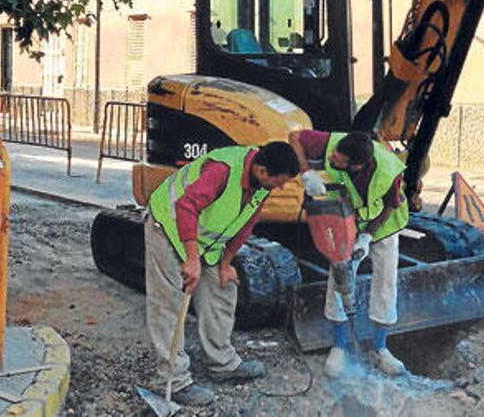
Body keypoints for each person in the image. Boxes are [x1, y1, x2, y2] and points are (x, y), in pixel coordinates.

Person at [144, 141, 300, 406]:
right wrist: (192, 259)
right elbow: (185, 207)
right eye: (279, 180)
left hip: (204, 237)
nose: (281, 186)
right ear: (262, 170)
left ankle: (221, 363)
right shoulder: (222, 171)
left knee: (223, 288)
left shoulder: (261, 185)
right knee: (169, 302)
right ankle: (171, 380)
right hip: (168, 227)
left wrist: (226, 263)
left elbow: (245, 224)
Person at [288, 129, 409, 377]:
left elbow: (390, 206)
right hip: (347, 220)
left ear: (357, 166)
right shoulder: (335, 144)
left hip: (383, 224)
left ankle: (380, 348)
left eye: (339, 160)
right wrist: (306, 172)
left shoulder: (388, 171)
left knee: (386, 281)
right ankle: (339, 347)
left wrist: (367, 237)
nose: (331, 157)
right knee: (340, 276)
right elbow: (294, 137)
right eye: (334, 153)